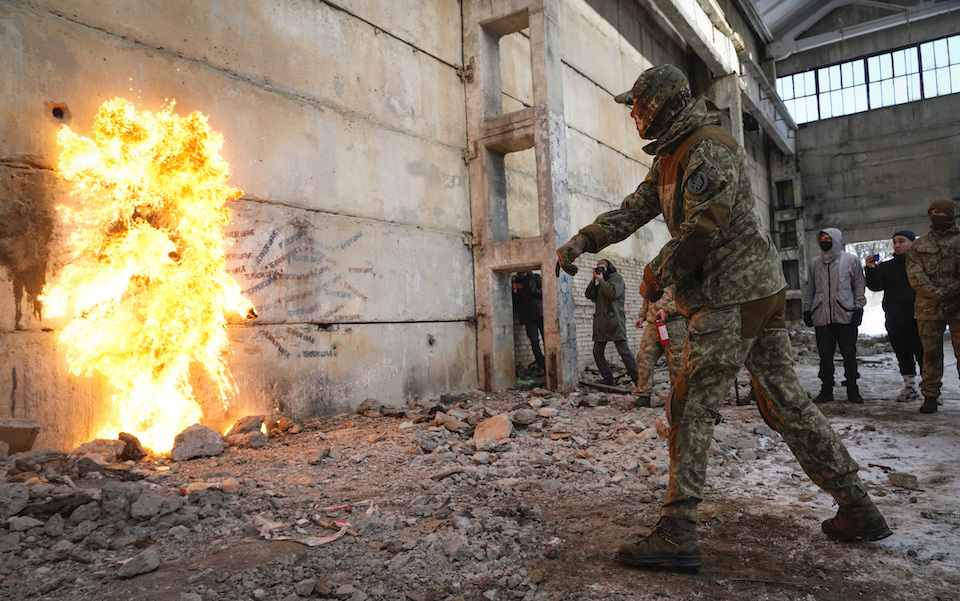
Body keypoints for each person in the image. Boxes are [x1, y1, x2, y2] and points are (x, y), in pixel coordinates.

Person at [555, 64, 890, 569]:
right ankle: (858, 509)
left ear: (658, 106)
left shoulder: (707, 147)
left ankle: (676, 534)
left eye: (636, 106)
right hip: (752, 292)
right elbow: (636, 207)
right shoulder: (674, 154)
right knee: (786, 406)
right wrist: (586, 239)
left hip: (731, 296)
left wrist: (654, 273)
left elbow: (704, 230)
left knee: (690, 407)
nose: (632, 114)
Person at [906, 199, 960, 414]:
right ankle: (930, 395)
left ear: (950, 214)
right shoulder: (919, 245)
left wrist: (950, 292)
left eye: (940, 212)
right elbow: (915, 276)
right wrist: (939, 294)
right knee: (930, 354)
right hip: (928, 308)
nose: (935, 215)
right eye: (932, 212)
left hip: (958, 306)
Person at [802, 228, 867, 404]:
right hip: (821, 316)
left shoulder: (851, 260)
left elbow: (859, 284)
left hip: (845, 314)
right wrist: (807, 309)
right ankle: (826, 389)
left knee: (849, 353)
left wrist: (858, 308)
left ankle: (853, 389)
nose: (824, 240)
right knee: (825, 355)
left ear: (836, 240)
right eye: (821, 238)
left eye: (828, 238)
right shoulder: (815, 263)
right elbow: (811, 289)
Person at [865, 231, 923, 402]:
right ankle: (910, 387)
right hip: (895, 318)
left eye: (902, 241)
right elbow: (876, 286)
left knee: (923, 354)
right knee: (903, 354)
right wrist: (871, 270)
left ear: (912, 243)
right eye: (895, 242)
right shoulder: (886, 266)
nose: (897, 245)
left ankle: (930, 390)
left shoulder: (921, 264)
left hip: (919, 317)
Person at [585, 259, 639, 387]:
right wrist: (594, 280)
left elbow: (613, 293)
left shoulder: (617, 279)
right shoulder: (601, 281)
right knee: (597, 351)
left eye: (603, 268)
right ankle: (608, 378)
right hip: (601, 323)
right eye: (598, 268)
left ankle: (639, 380)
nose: (601, 270)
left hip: (614, 321)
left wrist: (601, 280)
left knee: (624, 352)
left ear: (609, 267)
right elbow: (589, 294)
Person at [632, 285, 686, 408]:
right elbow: (647, 297)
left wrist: (668, 310)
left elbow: (686, 298)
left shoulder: (678, 274)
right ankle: (644, 394)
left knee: (676, 361)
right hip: (653, 324)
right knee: (644, 357)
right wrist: (642, 315)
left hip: (674, 323)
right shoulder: (653, 277)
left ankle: (677, 398)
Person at [512, 271, 545, 374]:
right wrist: (515, 292)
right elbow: (515, 303)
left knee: (547, 339)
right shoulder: (516, 281)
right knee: (534, 341)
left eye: (523, 271)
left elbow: (542, 293)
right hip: (528, 316)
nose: (521, 274)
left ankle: (550, 363)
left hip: (539, 313)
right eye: (520, 272)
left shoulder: (535, 278)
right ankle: (541, 365)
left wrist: (526, 288)